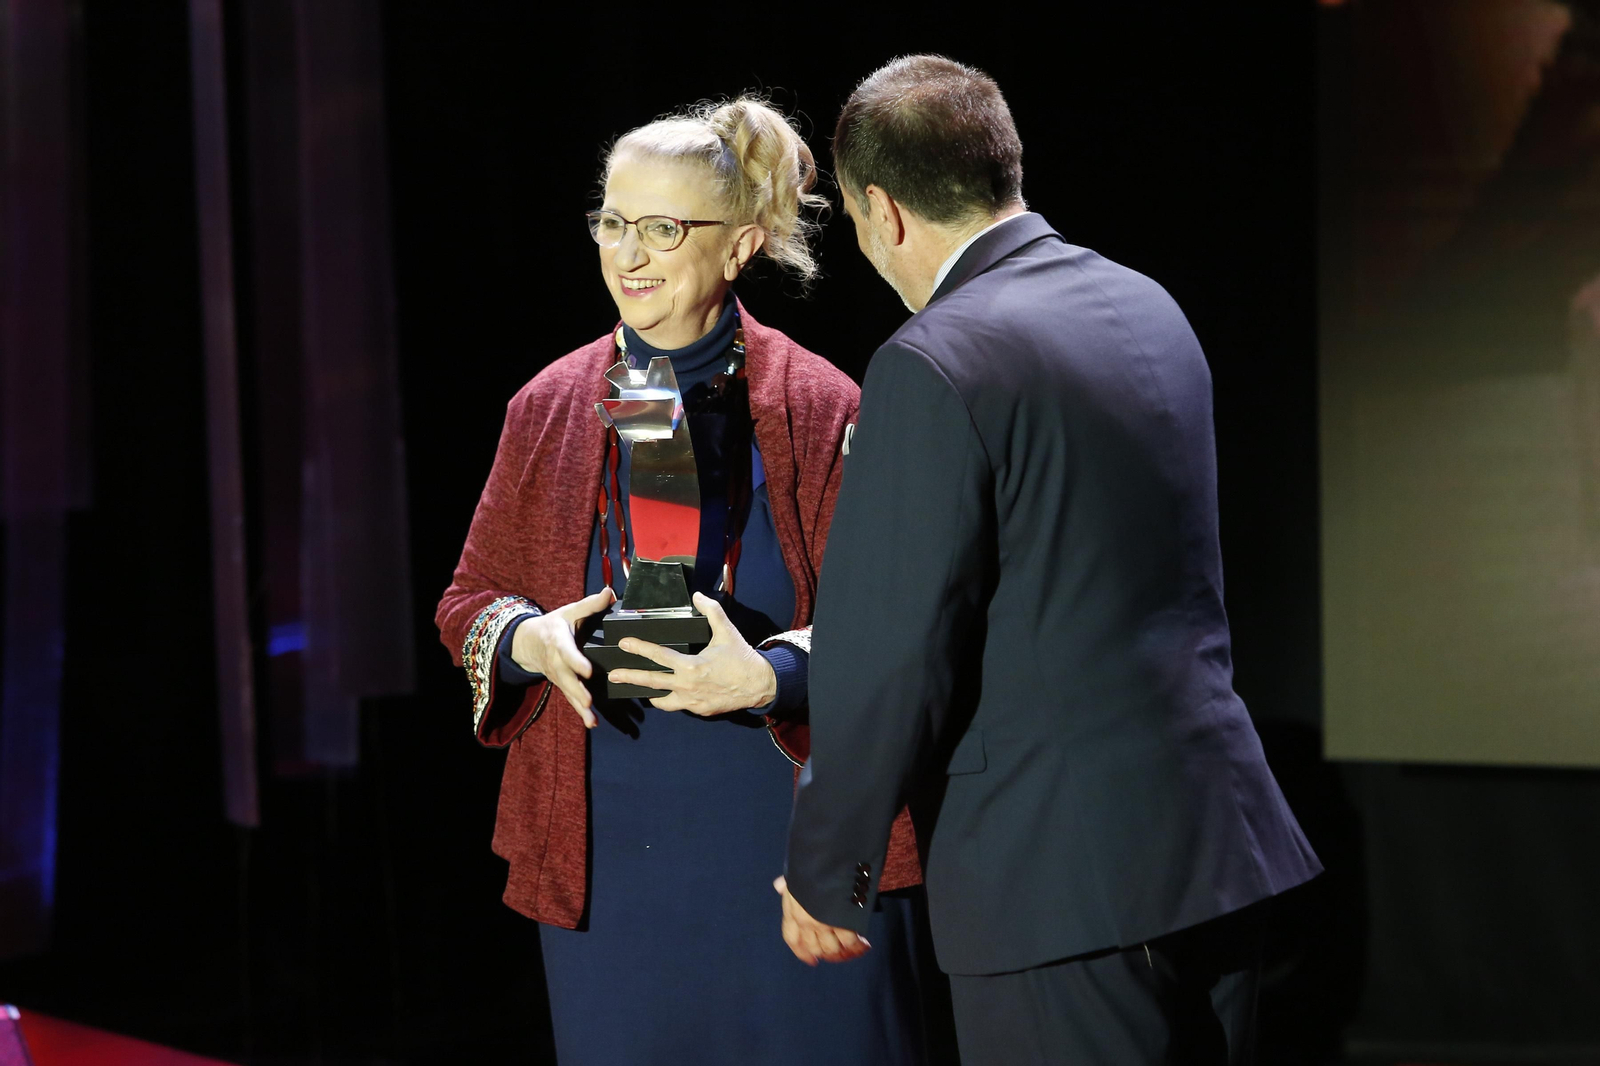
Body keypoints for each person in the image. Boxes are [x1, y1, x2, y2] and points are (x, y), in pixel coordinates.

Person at [775, 56, 1323, 1065]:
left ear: (882, 212)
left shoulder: (931, 361)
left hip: (1056, 885)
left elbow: (892, 647)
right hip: (1221, 846)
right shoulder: (1149, 306)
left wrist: (827, 862)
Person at [435, 98, 928, 1065]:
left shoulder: (823, 407)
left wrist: (772, 676)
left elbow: (901, 626)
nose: (629, 254)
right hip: (611, 860)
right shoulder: (545, 408)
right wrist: (531, 639)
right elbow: (468, 600)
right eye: (613, 222)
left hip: (793, 853)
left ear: (740, 246)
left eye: (664, 227)